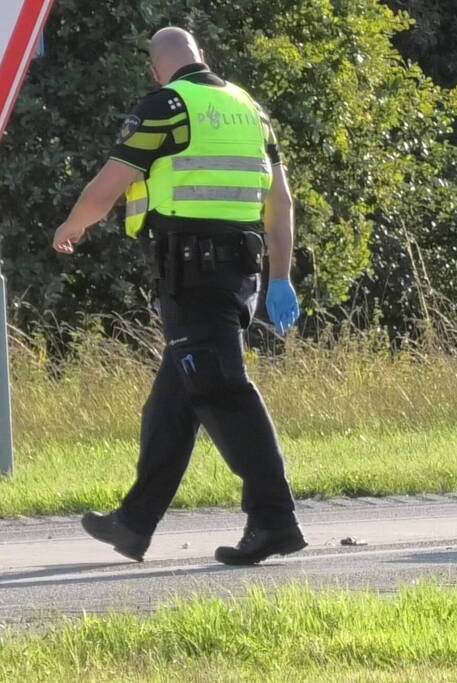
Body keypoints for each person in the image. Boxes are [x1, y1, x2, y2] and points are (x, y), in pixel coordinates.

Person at [52, 27, 306, 565]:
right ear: (203, 57)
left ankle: (274, 521)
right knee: (174, 401)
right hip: (241, 271)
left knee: (222, 393)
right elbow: (280, 203)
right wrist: (280, 276)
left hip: (194, 273)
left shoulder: (166, 106)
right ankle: (133, 523)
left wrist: (71, 227)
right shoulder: (249, 107)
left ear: (155, 68)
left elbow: (108, 186)